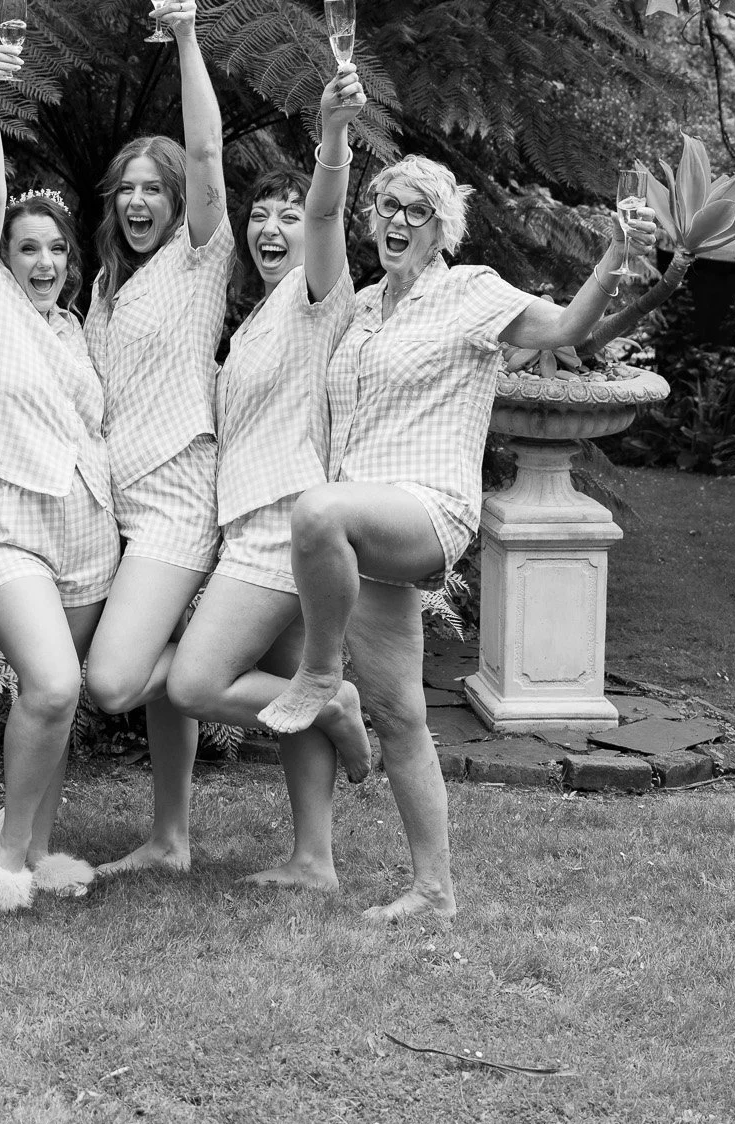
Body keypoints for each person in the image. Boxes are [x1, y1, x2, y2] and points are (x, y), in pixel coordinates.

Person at [258, 154, 659, 924]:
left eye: (417, 211)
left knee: (312, 513)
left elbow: (567, 327)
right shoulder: (365, 306)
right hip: (361, 526)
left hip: (425, 508)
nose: (397, 222)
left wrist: (615, 253)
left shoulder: (471, 292)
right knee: (401, 713)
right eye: (386, 207)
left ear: (443, 226)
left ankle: (316, 673)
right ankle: (434, 890)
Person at [166, 66, 366, 888]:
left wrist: (332, 137)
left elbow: (327, 209)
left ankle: (337, 702)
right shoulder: (254, 314)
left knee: (194, 682)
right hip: (257, 523)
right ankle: (313, 861)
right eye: (260, 214)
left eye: (287, 214)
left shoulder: (320, 296)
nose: (273, 226)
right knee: (284, 690)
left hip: (282, 525)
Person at [0, 40, 121, 911]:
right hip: (9, 522)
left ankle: (42, 849)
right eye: (28, 248)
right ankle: (4, 857)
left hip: (88, 527)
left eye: (56, 248)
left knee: (56, 699)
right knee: (50, 682)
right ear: (1, 255)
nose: (45, 261)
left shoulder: (72, 330)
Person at [83, 0, 235, 874]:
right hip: (113, 499)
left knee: (109, 683)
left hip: (176, 498)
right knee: (144, 686)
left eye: (155, 188)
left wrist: (185, 39)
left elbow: (209, 152)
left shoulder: (199, 259)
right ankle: (170, 839)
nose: (139, 200)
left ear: (180, 201)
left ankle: (313, 699)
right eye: (127, 189)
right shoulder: (107, 282)